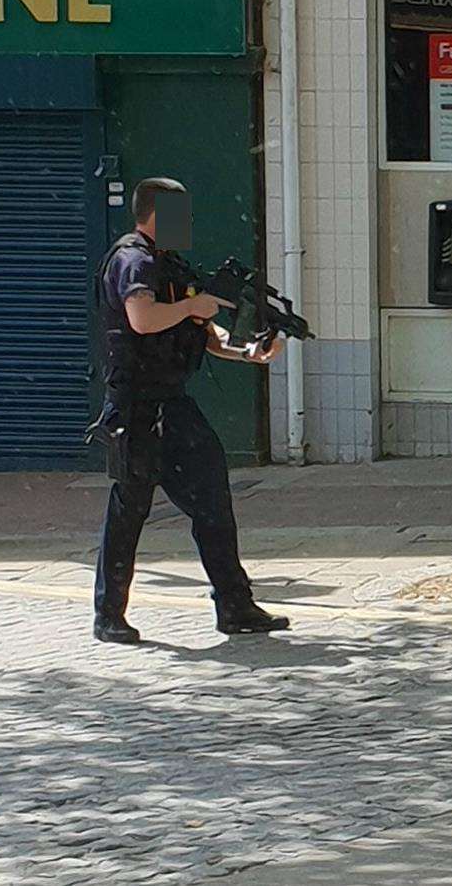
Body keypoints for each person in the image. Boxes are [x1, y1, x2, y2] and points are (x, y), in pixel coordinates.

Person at [92, 177, 291, 644]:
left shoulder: (170, 265)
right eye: (181, 214)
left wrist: (247, 352)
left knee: (213, 501)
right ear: (155, 213)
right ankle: (109, 615)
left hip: (174, 405)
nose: (189, 224)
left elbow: (204, 334)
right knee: (130, 508)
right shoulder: (131, 259)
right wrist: (193, 307)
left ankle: (235, 606)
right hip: (136, 407)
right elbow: (142, 319)